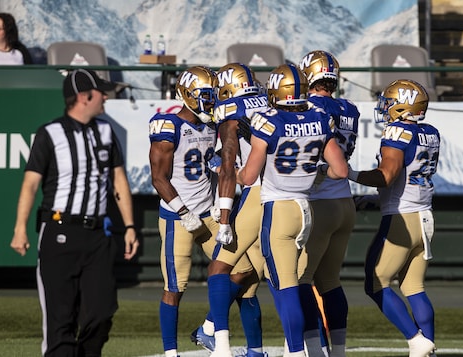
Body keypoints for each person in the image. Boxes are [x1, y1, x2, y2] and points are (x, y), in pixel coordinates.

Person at [10, 68, 139, 356]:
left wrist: (130, 226)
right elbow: (31, 184)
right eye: (100, 92)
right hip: (59, 231)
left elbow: (118, 179)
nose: (106, 97)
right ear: (84, 97)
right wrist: (20, 228)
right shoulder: (50, 133)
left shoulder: (105, 131)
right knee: (60, 321)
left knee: (101, 313)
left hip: (96, 236)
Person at [237, 63, 349, 357]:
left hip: (279, 209)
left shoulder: (267, 120)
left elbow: (248, 177)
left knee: (287, 288)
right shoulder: (320, 118)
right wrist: (315, 170)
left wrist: (230, 173)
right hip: (306, 211)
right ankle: (315, 350)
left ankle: (296, 353)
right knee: (303, 282)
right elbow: (340, 170)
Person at [149, 65, 254, 357]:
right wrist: (184, 212)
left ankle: (208, 328)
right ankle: (171, 354)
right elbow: (158, 178)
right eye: (205, 96)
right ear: (187, 95)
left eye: (213, 96)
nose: (211, 102)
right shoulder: (168, 125)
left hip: (207, 213)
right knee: (175, 287)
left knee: (244, 269)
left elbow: (211, 161)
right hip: (177, 217)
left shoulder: (211, 125)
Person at [348, 79, 440, 357]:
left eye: (389, 102)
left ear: (402, 106)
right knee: (414, 287)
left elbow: (386, 177)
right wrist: (375, 200)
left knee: (375, 282)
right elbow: (409, 181)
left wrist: (349, 174)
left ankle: (417, 340)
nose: (384, 107)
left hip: (402, 219)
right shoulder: (430, 132)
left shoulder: (398, 131)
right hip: (424, 216)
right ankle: (430, 350)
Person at [191, 63, 269, 357]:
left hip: (258, 193)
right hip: (289, 196)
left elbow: (227, 168)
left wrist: (224, 217)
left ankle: (217, 341)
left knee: (219, 268)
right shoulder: (268, 101)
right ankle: (259, 351)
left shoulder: (230, 111)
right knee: (260, 280)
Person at [296, 50, 360, 357]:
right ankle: (338, 352)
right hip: (344, 201)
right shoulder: (349, 108)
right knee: (330, 281)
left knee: (298, 280)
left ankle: (310, 350)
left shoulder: (310, 106)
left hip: (318, 200)